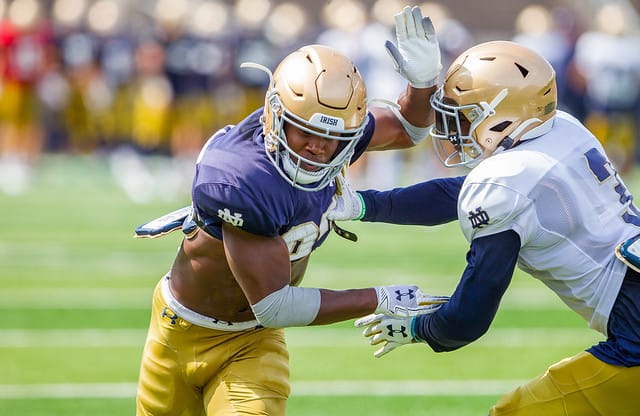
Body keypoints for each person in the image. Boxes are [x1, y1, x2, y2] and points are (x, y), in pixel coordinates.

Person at [134, 6, 450, 416]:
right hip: (177, 329)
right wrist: (381, 297)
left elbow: (409, 128)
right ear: (274, 115)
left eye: (333, 138)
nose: (318, 147)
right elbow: (276, 304)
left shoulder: (336, 133)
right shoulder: (241, 178)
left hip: (252, 341)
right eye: (307, 133)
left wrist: (423, 83)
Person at [330, 40, 640, 415]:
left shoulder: (506, 181)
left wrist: (418, 328)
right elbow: (460, 193)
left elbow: (467, 319)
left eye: (463, 116)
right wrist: (365, 204)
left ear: (503, 115)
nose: (454, 128)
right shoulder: (562, 129)